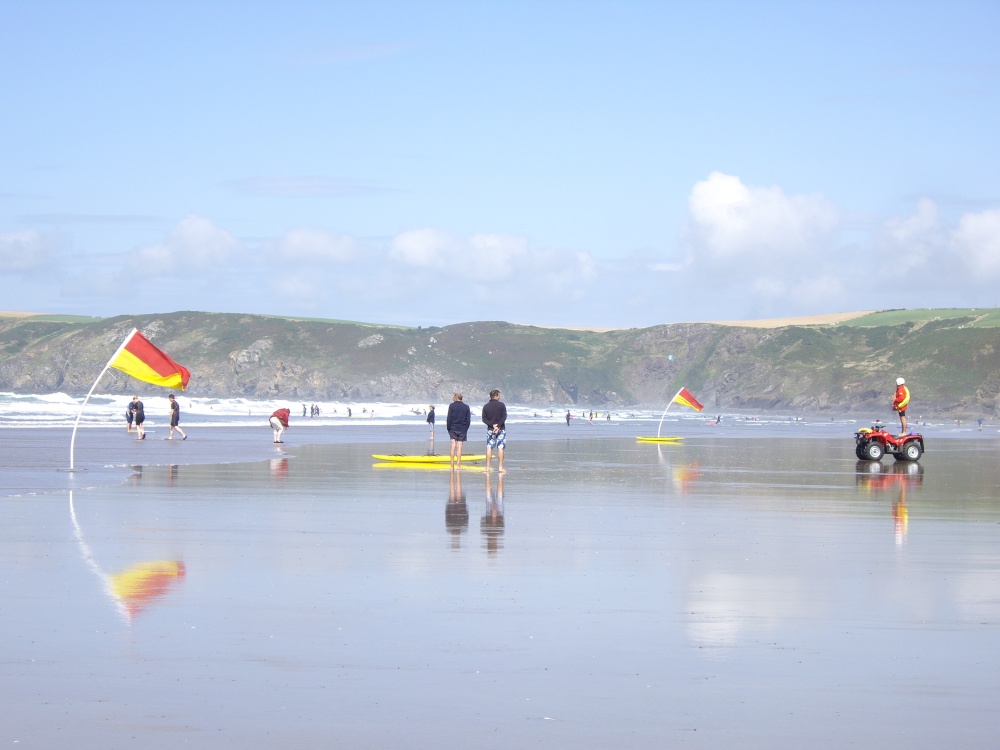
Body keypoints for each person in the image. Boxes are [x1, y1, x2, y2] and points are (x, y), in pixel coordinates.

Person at [482, 389, 507, 473]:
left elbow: (484, 419)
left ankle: (487, 467)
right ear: (496, 396)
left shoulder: (486, 406)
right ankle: (500, 467)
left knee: (489, 447)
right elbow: (504, 417)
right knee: (500, 447)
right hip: (501, 429)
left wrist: (492, 425)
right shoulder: (502, 405)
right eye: (499, 395)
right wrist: (498, 425)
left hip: (490, 429)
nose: (500, 397)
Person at [446, 392, 471, 466]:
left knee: (453, 446)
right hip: (462, 428)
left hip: (453, 428)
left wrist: (448, 428)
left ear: (455, 398)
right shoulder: (466, 407)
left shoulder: (452, 406)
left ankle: (452, 465)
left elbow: (449, 418)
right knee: (459, 446)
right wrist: (466, 429)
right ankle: (458, 465)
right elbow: (468, 420)